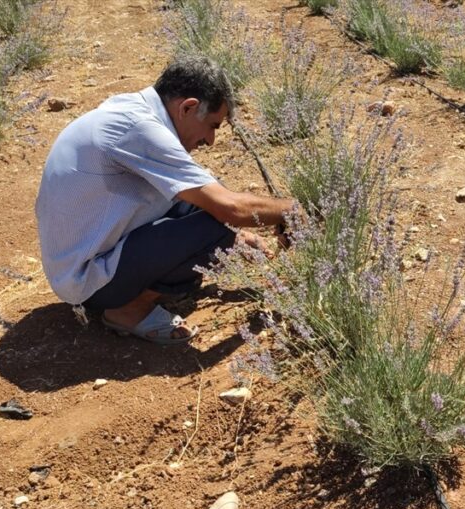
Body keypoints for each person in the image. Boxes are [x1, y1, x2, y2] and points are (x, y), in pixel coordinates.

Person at [35, 56, 296, 344]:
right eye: (212, 125)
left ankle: (143, 285)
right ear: (188, 107)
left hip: (81, 257)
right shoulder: (138, 129)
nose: (210, 141)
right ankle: (128, 309)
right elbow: (230, 208)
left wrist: (241, 234)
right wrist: (293, 211)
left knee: (206, 199)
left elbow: (207, 194)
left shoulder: (134, 110)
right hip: (86, 281)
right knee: (216, 228)